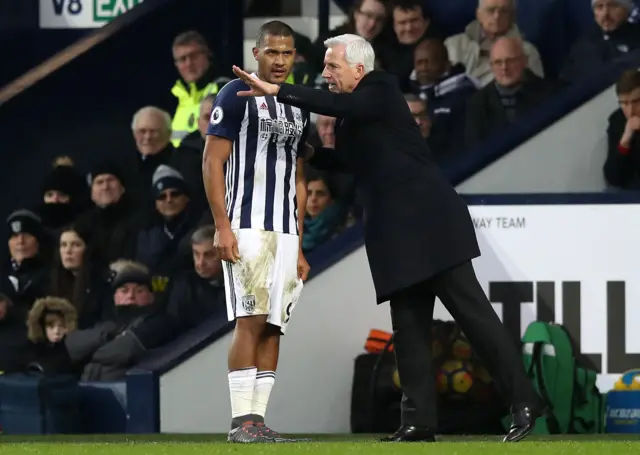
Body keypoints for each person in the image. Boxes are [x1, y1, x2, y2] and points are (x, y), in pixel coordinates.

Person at [231, 33, 545, 443]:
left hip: (429, 225)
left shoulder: (380, 88)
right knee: (409, 329)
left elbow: (339, 104)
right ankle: (417, 421)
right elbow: (348, 161)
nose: (325, 73)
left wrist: (281, 91)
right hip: (396, 236)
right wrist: (307, 152)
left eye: (332, 66)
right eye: (325, 66)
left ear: (359, 69)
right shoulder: (351, 115)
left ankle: (524, 401)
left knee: (474, 317)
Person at [203, 20, 311, 444]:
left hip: (285, 231)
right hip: (247, 226)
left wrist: (300, 245)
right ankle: (240, 422)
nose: (280, 61)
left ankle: (258, 420)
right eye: (273, 52)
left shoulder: (297, 103)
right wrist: (221, 226)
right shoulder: (235, 95)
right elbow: (212, 162)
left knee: (274, 326)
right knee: (248, 320)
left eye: (287, 53)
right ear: (257, 53)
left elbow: (299, 178)